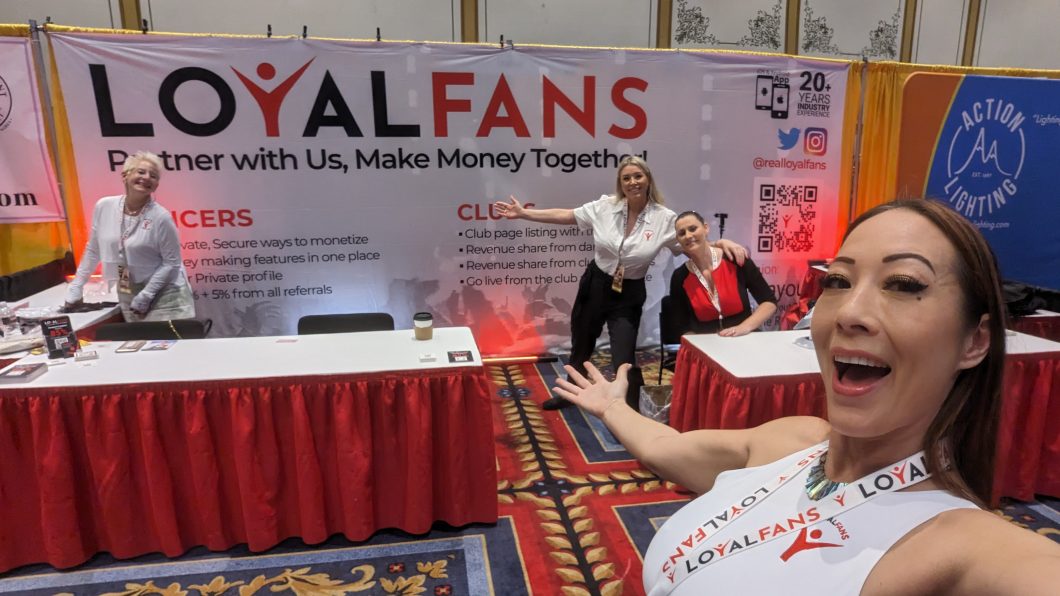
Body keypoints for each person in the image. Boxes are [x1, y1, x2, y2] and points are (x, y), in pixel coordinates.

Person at [552, 199, 1060, 594]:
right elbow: (669, 447)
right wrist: (611, 406)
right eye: (838, 280)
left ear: (974, 341)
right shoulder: (794, 440)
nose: (849, 312)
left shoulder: (962, 546)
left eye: (904, 284)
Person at [494, 156, 747, 410]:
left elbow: (692, 244)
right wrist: (524, 213)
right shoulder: (606, 206)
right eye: (626, 178)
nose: (632, 182)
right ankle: (570, 394)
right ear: (620, 183)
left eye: (638, 176)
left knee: (624, 357)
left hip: (629, 294)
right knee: (581, 345)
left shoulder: (664, 219)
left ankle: (632, 408)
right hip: (595, 285)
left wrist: (721, 244)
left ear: (648, 179)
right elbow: (567, 215)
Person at [65, 151, 196, 322]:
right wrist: (76, 286)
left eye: (153, 176)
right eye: (141, 172)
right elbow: (93, 250)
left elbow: (172, 263)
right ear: (125, 176)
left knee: (165, 339)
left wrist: (147, 295)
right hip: (127, 287)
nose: (147, 177)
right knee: (137, 338)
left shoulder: (161, 217)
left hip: (165, 294)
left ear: (156, 185)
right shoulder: (104, 206)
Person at [669, 210, 777, 336]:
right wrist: (698, 345)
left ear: (706, 228)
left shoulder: (735, 259)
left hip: (743, 339)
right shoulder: (679, 277)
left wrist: (743, 328)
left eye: (693, 229)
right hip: (706, 343)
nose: (688, 235)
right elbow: (681, 326)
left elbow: (769, 301)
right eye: (682, 233)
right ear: (678, 239)